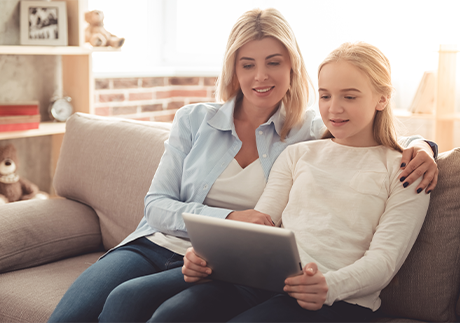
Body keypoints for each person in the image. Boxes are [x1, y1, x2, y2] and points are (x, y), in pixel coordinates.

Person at [48, 8, 437, 323]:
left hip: (234, 266)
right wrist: (230, 219)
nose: (260, 76)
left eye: (273, 62)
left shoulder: (307, 131)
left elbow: (368, 140)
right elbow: (156, 205)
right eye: (247, 64)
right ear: (233, 69)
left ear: (292, 68)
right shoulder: (195, 120)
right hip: (161, 245)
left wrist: (424, 146)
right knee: (109, 304)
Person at [148, 41, 432, 323]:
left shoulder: (407, 170)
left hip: (339, 300)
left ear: (382, 98)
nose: (334, 109)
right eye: (325, 96)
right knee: (170, 315)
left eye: (349, 97)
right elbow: (261, 226)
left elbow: (385, 261)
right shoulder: (298, 154)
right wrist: (206, 258)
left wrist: (328, 286)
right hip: (267, 282)